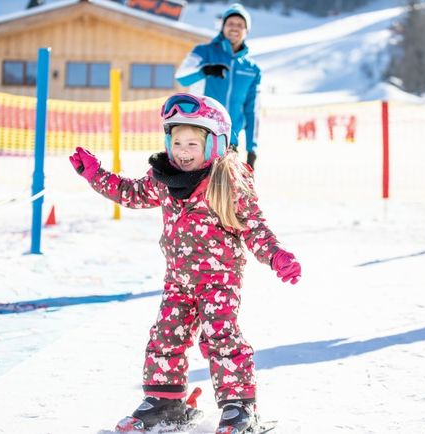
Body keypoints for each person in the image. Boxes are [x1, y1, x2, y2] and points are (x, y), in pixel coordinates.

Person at [69, 93, 301, 433]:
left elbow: (254, 227)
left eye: (193, 143)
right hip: (178, 278)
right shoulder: (164, 178)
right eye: (176, 141)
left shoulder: (227, 180)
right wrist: (96, 174)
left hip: (219, 281)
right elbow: (131, 193)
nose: (183, 151)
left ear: (216, 143)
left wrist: (276, 255)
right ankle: (166, 402)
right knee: (165, 337)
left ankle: (240, 406)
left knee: (221, 336)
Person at [175, 3, 261, 170]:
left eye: (240, 25)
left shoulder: (252, 69)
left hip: (230, 142)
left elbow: (252, 110)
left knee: (226, 194)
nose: (235, 28)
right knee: (196, 193)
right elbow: (181, 77)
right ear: (222, 27)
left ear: (247, 30)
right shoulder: (203, 52)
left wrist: (252, 149)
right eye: (230, 24)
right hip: (199, 137)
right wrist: (205, 70)